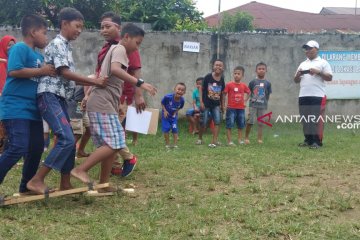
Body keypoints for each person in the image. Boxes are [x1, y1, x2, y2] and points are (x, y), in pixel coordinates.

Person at [26, 7, 107, 194]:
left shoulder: (67, 48)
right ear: (64, 24)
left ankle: (65, 182)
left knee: (70, 140)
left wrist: (93, 83)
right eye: (77, 26)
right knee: (66, 138)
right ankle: (37, 180)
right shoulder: (57, 44)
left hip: (61, 97)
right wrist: (94, 81)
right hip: (49, 95)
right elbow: (64, 72)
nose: (79, 30)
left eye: (82, 27)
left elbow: (70, 77)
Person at [70, 23, 157, 185]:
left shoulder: (116, 49)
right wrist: (140, 83)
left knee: (113, 144)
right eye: (137, 43)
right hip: (101, 104)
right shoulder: (120, 49)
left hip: (106, 103)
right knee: (115, 142)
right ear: (126, 37)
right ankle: (80, 170)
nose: (137, 48)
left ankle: (103, 184)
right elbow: (116, 69)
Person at [0, 14, 56, 194]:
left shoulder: (38, 55)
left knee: (37, 148)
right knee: (18, 147)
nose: (46, 37)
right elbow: (14, 71)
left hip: (33, 110)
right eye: (44, 32)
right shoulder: (19, 48)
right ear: (33, 32)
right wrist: (42, 71)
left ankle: (26, 187)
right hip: (16, 107)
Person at [94, 11, 145, 177]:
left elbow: (135, 71)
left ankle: (127, 158)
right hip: (103, 95)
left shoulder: (129, 46)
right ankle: (115, 165)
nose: (104, 30)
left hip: (119, 96)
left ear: (119, 28)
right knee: (109, 132)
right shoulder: (108, 48)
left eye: (108, 26)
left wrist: (138, 95)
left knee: (113, 132)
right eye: (101, 27)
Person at [294, 40, 332, 149]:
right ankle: (308, 139)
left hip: (317, 95)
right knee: (305, 119)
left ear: (316, 49)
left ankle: (317, 142)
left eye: (310, 48)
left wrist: (318, 72)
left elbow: (329, 77)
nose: (308, 50)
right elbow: (296, 80)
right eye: (306, 48)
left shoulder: (323, 63)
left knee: (315, 119)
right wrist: (297, 75)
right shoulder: (303, 63)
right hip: (303, 95)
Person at [197, 59, 225, 148]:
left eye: (220, 65)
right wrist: (201, 102)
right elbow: (201, 89)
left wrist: (222, 105)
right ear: (213, 66)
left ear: (223, 68)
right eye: (216, 65)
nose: (218, 67)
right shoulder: (208, 77)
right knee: (203, 122)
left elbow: (222, 93)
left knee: (217, 122)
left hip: (216, 105)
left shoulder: (222, 79)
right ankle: (200, 139)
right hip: (206, 104)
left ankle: (214, 141)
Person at [244, 62, 272, 144]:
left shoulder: (268, 83)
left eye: (263, 69)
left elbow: (267, 95)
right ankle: (246, 137)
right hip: (253, 105)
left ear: (266, 70)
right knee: (250, 121)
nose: (261, 70)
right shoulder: (253, 82)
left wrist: (265, 103)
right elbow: (249, 93)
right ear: (256, 70)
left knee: (261, 123)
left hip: (262, 106)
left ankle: (259, 139)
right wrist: (245, 101)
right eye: (259, 69)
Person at [223, 66, 250, 146]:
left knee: (241, 125)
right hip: (231, 108)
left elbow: (249, 92)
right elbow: (224, 94)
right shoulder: (229, 85)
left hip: (241, 109)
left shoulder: (243, 85)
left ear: (242, 75)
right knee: (229, 124)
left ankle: (239, 140)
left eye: (238, 74)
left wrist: (245, 100)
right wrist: (224, 104)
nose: (236, 75)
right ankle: (229, 141)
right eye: (235, 73)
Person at [161, 82, 186, 148]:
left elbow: (180, 107)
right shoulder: (167, 97)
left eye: (182, 90)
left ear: (184, 92)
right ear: (174, 89)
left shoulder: (182, 100)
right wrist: (165, 111)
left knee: (175, 129)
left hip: (173, 117)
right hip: (166, 116)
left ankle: (175, 145)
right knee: (166, 129)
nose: (180, 91)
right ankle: (167, 144)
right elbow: (162, 103)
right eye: (178, 89)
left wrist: (175, 112)